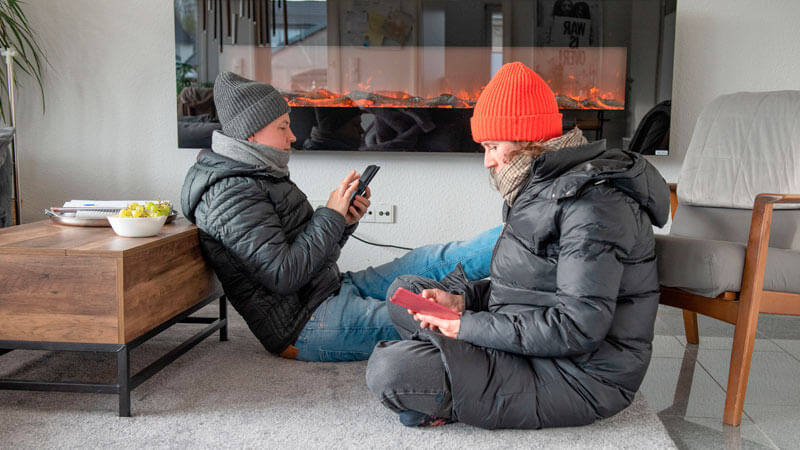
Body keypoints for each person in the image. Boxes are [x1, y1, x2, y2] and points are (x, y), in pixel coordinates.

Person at [365, 62, 670, 429]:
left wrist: (465, 326)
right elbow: (528, 288)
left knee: (390, 369)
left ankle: (446, 379)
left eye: (493, 146)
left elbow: (576, 328)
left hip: (579, 377)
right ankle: (450, 376)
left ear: (528, 138)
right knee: (406, 292)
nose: (487, 161)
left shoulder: (594, 205)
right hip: (531, 344)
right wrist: (462, 302)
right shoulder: (540, 186)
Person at [180, 72, 500, 362]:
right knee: (428, 317)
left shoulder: (256, 172)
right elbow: (283, 274)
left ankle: (524, 242)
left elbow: (308, 257)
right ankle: (523, 319)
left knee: (434, 258)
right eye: (283, 127)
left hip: (330, 288)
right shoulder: (228, 193)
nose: (292, 136)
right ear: (251, 134)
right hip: (305, 325)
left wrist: (343, 223)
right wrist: (331, 215)